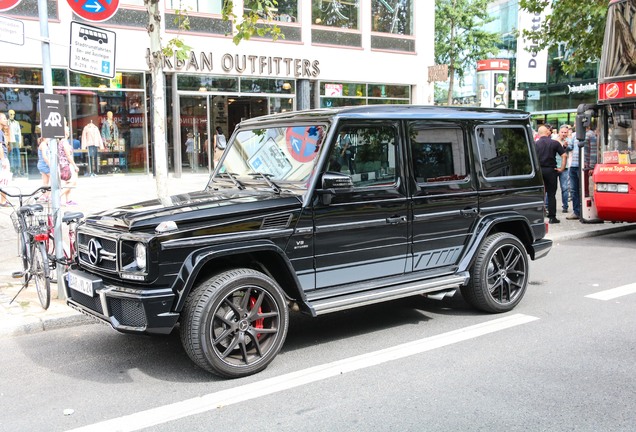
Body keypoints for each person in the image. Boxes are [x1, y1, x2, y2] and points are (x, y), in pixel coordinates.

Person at [535, 125, 566, 224]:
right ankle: (552, 217)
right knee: (552, 194)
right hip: (551, 170)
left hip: (539, 171)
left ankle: (538, 216)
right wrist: (562, 168)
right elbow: (564, 155)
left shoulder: (535, 144)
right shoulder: (554, 143)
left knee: (540, 193)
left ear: (539, 134)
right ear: (547, 133)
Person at [58, 128, 80, 206]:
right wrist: (74, 165)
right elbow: (68, 155)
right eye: (68, 130)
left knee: (68, 182)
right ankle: (58, 196)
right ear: (65, 133)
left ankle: (68, 200)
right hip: (65, 164)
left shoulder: (62, 142)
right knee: (72, 182)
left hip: (63, 164)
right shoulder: (64, 142)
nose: (69, 132)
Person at [556, 125, 572, 213]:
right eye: (562, 132)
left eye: (565, 132)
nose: (563, 134)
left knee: (564, 188)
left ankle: (565, 206)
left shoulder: (569, 141)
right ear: (559, 132)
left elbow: (569, 149)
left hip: (564, 167)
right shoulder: (554, 140)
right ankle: (547, 206)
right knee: (552, 188)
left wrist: (565, 146)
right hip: (554, 166)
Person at [567, 127, 582, 221]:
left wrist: (591, 166)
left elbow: (593, 151)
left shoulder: (590, 134)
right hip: (573, 165)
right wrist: (565, 146)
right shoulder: (575, 135)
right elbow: (570, 147)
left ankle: (583, 211)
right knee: (574, 190)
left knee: (582, 190)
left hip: (582, 166)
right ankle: (576, 211)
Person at [7, 109, 22, 176]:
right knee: (11, 154)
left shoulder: (16, 123)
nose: (12, 116)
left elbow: (19, 132)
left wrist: (20, 141)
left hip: (16, 138)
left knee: (17, 154)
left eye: (13, 114)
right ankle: (12, 169)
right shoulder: (7, 122)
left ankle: (18, 169)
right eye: (11, 114)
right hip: (10, 138)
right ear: (8, 114)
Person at [36, 136, 51, 202]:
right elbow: (45, 156)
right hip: (45, 165)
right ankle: (46, 195)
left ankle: (44, 196)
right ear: (45, 138)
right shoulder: (44, 145)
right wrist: (50, 165)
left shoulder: (42, 144)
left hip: (42, 165)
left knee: (45, 182)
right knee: (54, 181)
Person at [0, 113, 10, 206]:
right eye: (4, 118)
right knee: (4, 180)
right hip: (2, 159)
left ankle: (3, 200)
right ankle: (3, 201)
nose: (6, 120)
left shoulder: (1, 132)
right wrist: (3, 160)